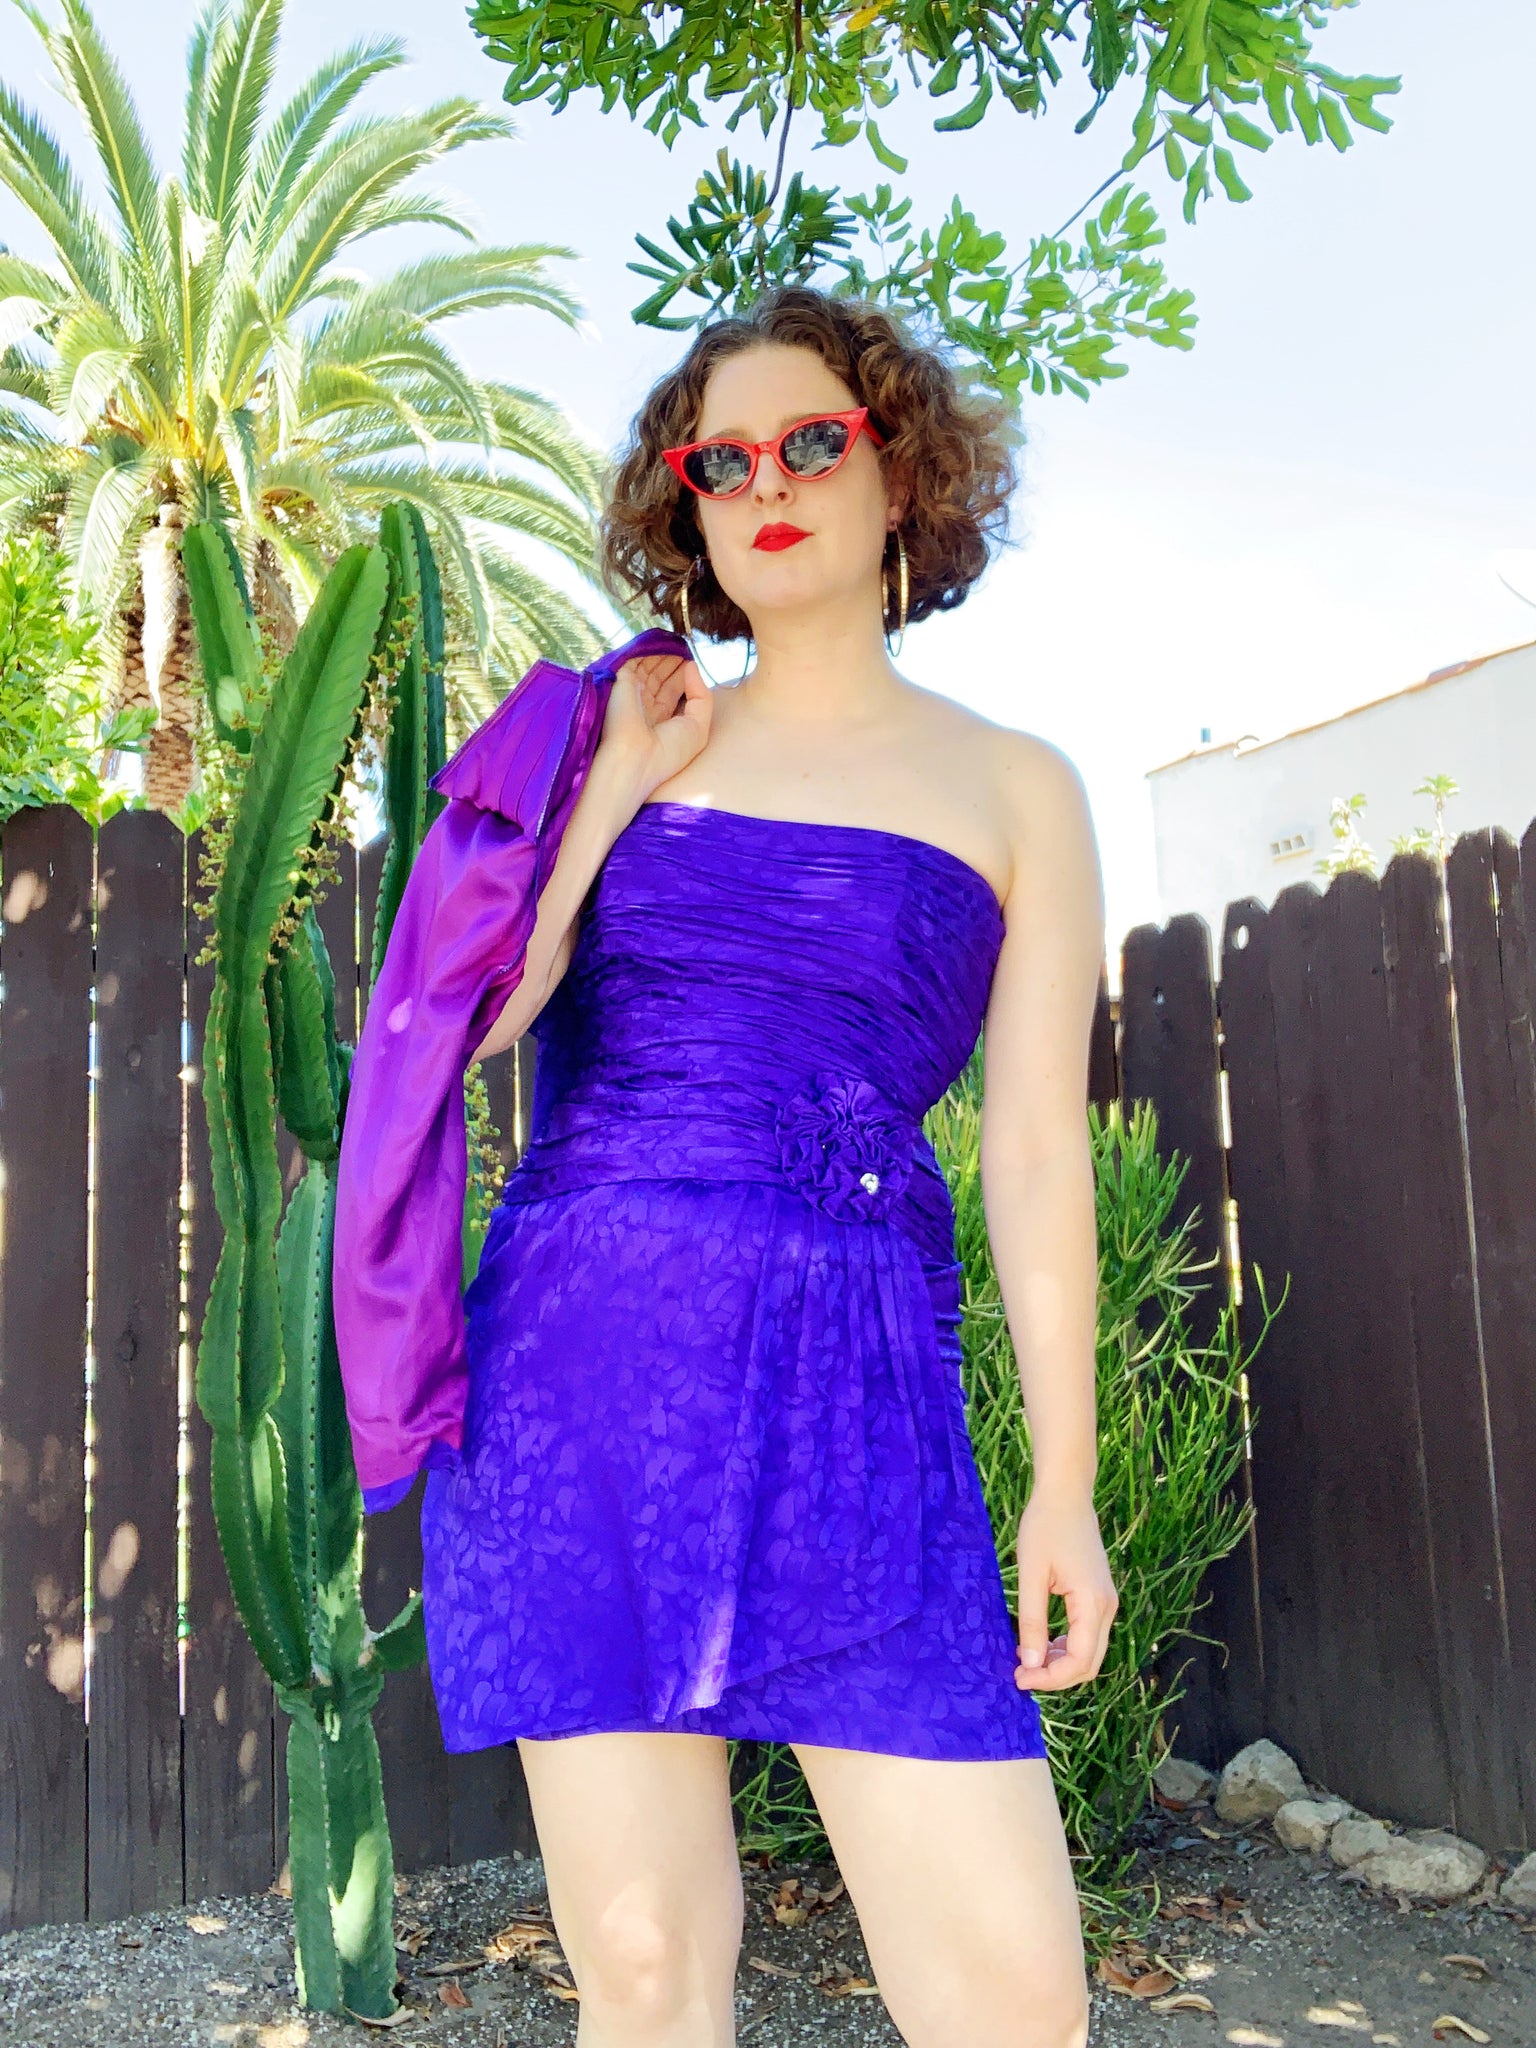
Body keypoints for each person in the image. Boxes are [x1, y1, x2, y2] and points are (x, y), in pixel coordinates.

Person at [403, 284, 1113, 2047]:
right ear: (689, 512)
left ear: (902, 473)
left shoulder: (1017, 786)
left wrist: (1067, 1484)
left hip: (850, 1390)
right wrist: (607, 801)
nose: (767, 483)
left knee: (1014, 1999)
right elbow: (474, 1030)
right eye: (721, 462)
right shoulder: (626, 741)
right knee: (645, 1973)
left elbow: (1035, 1154)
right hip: (581, 1375)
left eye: (812, 440)